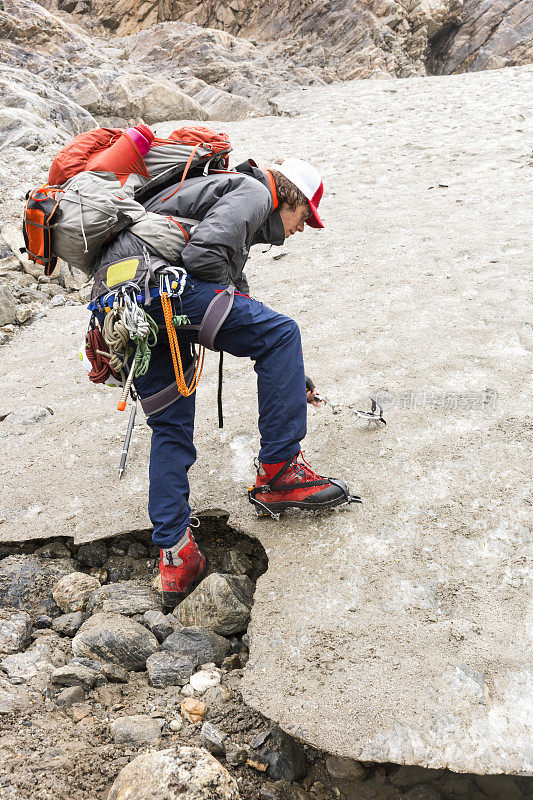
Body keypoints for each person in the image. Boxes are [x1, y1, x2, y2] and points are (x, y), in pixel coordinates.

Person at [93, 156, 356, 607]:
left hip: (120, 304)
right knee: (283, 332)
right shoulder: (254, 193)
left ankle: (176, 554)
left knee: (171, 427)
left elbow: (239, 298)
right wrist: (254, 335)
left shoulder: (222, 195)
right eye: (303, 218)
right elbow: (204, 258)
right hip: (161, 291)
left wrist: (294, 377)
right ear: (288, 196)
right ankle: (280, 472)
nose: (300, 229)